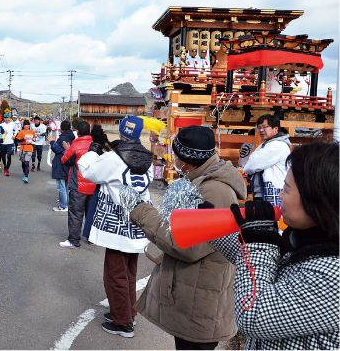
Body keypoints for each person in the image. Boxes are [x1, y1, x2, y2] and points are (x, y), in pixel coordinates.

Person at [210, 141, 340, 350]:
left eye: (286, 189)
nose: (279, 196)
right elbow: (257, 264)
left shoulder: (333, 276)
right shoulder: (308, 242)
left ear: (317, 202)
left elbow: (253, 314)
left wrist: (260, 241)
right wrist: (213, 228)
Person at [130, 125, 247, 349]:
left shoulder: (215, 191)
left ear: (187, 159)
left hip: (201, 302)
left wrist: (142, 212)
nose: (173, 159)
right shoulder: (199, 180)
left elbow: (187, 244)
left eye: (175, 155)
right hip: (193, 293)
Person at [78, 116, 154, 338]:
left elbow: (88, 171)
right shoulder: (147, 158)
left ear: (121, 132)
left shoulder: (113, 157)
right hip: (138, 223)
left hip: (117, 225)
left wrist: (93, 150)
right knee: (129, 272)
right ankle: (127, 312)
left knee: (115, 274)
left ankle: (123, 323)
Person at [59, 121, 95, 248]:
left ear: (77, 132)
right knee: (91, 213)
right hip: (94, 185)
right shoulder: (96, 145)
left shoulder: (75, 146)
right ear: (89, 132)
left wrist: (67, 150)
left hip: (78, 185)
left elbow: (65, 160)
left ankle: (74, 241)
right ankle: (92, 238)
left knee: (75, 213)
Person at [244, 114, 290, 207]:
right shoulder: (266, 144)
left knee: (271, 219)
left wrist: (250, 163)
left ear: (275, 129)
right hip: (262, 192)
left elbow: (252, 164)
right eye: (259, 127)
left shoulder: (278, 145)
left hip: (273, 191)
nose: (261, 130)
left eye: (265, 127)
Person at [48, 120, 74, 212]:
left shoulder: (63, 137)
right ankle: (66, 203)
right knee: (67, 185)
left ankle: (63, 205)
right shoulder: (71, 136)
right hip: (68, 162)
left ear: (62, 129)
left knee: (61, 186)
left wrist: (51, 142)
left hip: (61, 162)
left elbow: (57, 149)